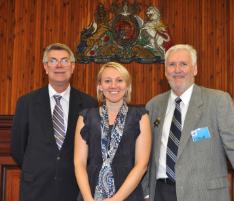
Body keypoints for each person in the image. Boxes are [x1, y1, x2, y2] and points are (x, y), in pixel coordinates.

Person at [143, 44, 234, 201]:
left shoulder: (217, 101)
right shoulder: (153, 106)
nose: (177, 70)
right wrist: (145, 192)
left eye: (183, 64)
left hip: (204, 194)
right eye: (171, 65)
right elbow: (145, 155)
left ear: (195, 69)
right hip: (160, 194)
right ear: (165, 71)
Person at [11, 43, 97, 201]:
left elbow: (93, 149)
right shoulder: (26, 103)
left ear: (72, 67)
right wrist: (41, 167)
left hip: (74, 188)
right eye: (53, 61)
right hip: (36, 188)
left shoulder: (89, 104)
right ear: (45, 67)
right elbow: (17, 147)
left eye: (65, 61)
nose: (59, 65)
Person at [74, 62, 151, 201]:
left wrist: (116, 199)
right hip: (90, 193)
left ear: (127, 85)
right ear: (100, 86)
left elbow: (142, 165)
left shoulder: (140, 116)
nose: (113, 85)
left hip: (128, 194)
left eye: (119, 80)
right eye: (107, 81)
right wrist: (87, 198)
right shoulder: (85, 116)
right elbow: (79, 163)